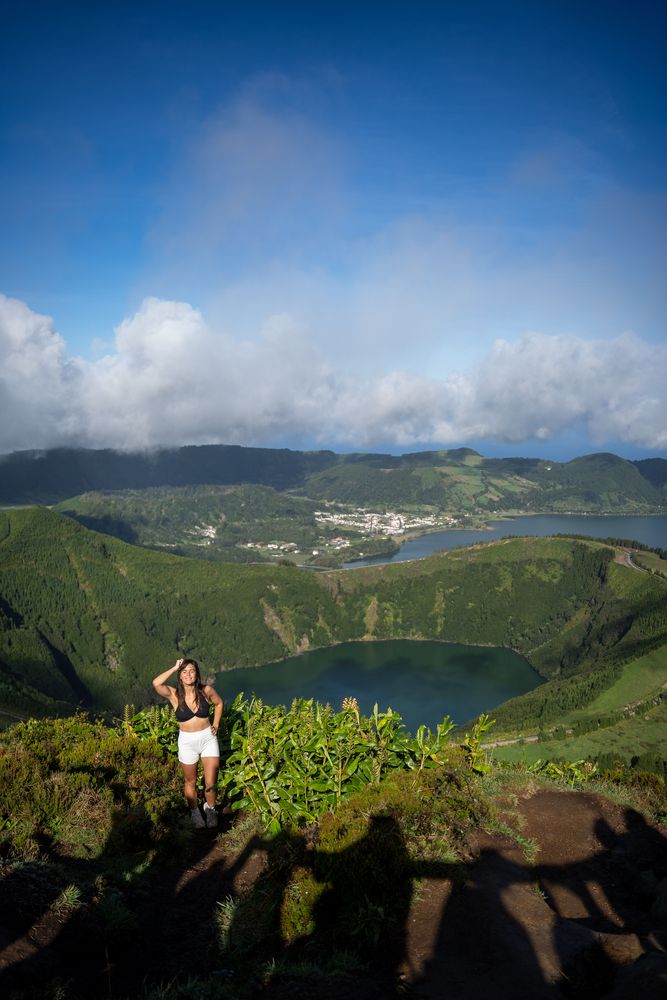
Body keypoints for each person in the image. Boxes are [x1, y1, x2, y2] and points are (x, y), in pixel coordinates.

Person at [152, 657, 224, 828]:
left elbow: (219, 703)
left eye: (191, 670)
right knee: (190, 781)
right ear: (180, 675)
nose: (188, 674)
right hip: (187, 742)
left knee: (211, 781)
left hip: (208, 739)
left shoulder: (206, 690)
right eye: (184, 672)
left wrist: (215, 724)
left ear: (197, 673)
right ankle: (194, 811)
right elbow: (156, 683)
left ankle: (211, 809)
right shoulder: (174, 694)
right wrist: (174, 667)